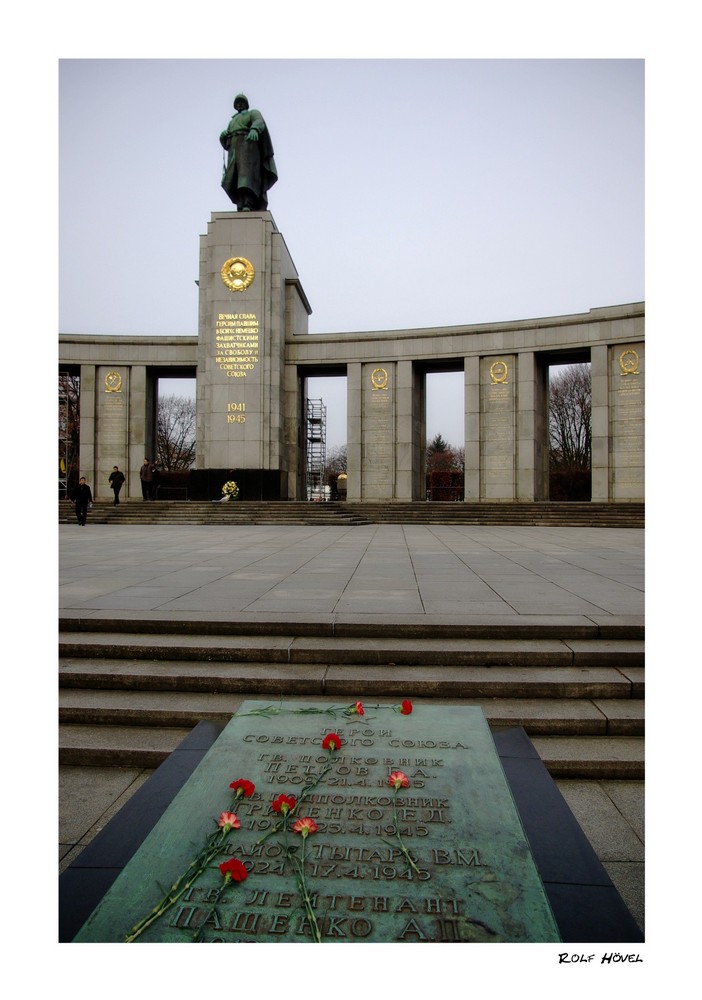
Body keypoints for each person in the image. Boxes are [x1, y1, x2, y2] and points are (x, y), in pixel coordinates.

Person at [219, 94, 277, 212]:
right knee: (233, 178)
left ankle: (248, 202)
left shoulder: (252, 113)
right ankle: (240, 203)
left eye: (242, 101)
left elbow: (259, 121)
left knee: (246, 177)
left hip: (248, 147)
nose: (240, 104)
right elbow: (226, 144)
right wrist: (223, 138)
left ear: (246, 104)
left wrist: (255, 129)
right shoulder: (232, 121)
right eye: (237, 102)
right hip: (234, 150)